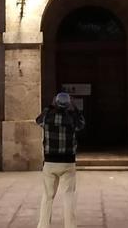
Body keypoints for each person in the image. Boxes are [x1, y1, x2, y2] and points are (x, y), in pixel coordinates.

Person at [35, 92, 85, 228]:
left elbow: (37, 120)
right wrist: (74, 108)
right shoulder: (71, 119)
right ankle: (70, 226)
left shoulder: (48, 116)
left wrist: (50, 106)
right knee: (69, 195)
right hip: (68, 162)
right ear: (68, 105)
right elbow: (81, 124)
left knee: (47, 196)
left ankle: (43, 225)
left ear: (55, 103)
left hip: (50, 162)